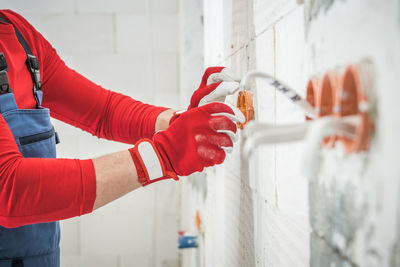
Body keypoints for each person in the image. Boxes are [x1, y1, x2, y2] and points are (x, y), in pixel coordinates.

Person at [0, 9, 244, 267]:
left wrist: (180, 122)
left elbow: (103, 111)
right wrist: (164, 155)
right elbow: (9, 189)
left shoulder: (16, 32)